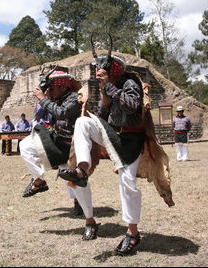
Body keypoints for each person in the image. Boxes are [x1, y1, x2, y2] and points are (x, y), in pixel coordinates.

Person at [58, 54, 147, 253]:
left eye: (104, 70)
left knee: (127, 184)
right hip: (113, 134)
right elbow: (104, 118)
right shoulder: (107, 87)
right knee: (82, 122)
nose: (100, 73)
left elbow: (132, 106)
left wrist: (109, 88)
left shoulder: (129, 82)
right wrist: (104, 101)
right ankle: (81, 170)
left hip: (130, 140)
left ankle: (133, 233)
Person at [19, 71, 91, 237]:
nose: (49, 91)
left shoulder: (74, 97)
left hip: (72, 147)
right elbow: (40, 114)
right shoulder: (54, 98)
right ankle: (39, 180)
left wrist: (43, 99)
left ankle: (89, 219)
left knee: (76, 184)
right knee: (25, 146)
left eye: (52, 88)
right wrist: (45, 98)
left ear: (63, 86)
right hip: (57, 140)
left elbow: (62, 113)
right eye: (49, 88)